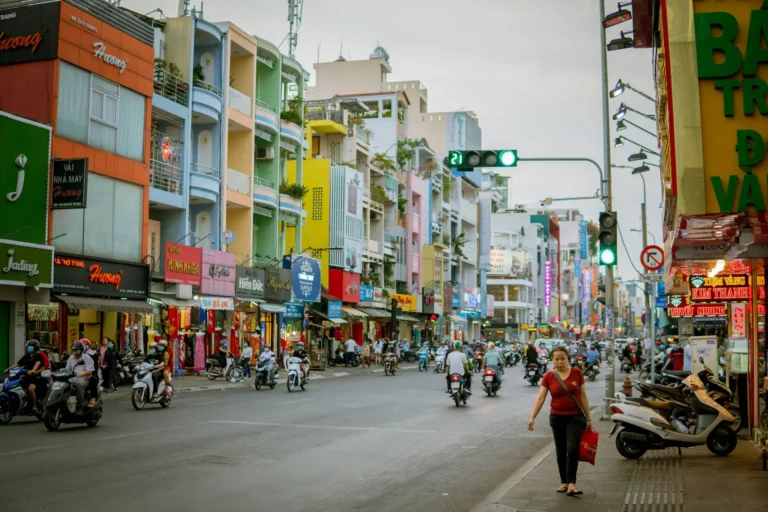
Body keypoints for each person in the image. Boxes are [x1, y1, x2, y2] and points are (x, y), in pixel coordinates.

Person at [527, 346, 592, 496]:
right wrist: (532, 417)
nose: (560, 361)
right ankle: (564, 482)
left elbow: (583, 396)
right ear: (552, 360)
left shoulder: (577, 373)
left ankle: (572, 483)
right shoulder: (549, 376)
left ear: (567, 358)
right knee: (561, 450)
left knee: (572, 448)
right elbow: (541, 398)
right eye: (557, 359)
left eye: (563, 358)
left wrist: (588, 418)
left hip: (575, 417)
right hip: (557, 418)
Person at [4, 339, 45, 414]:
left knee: (31, 389)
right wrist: (8, 369)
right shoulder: (26, 356)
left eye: (31, 347)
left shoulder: (39, 356)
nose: (29, 348)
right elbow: (17, 364)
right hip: (26, 377)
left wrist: (33, 370)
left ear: (36, 348)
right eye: (28, 347)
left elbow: (38, 363)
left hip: (36, 378)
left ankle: (34, 406)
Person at [65, 340, 95, 411]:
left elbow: (90, 372)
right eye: (73, 350)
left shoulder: (87, 358)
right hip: (72, 378)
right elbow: (67, 370)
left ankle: (80, 405)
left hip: (84, 379)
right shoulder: (71, 358)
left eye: (76, 350)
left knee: (78, 384)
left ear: (81, 350)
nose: (75, 352)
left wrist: (83, 373)